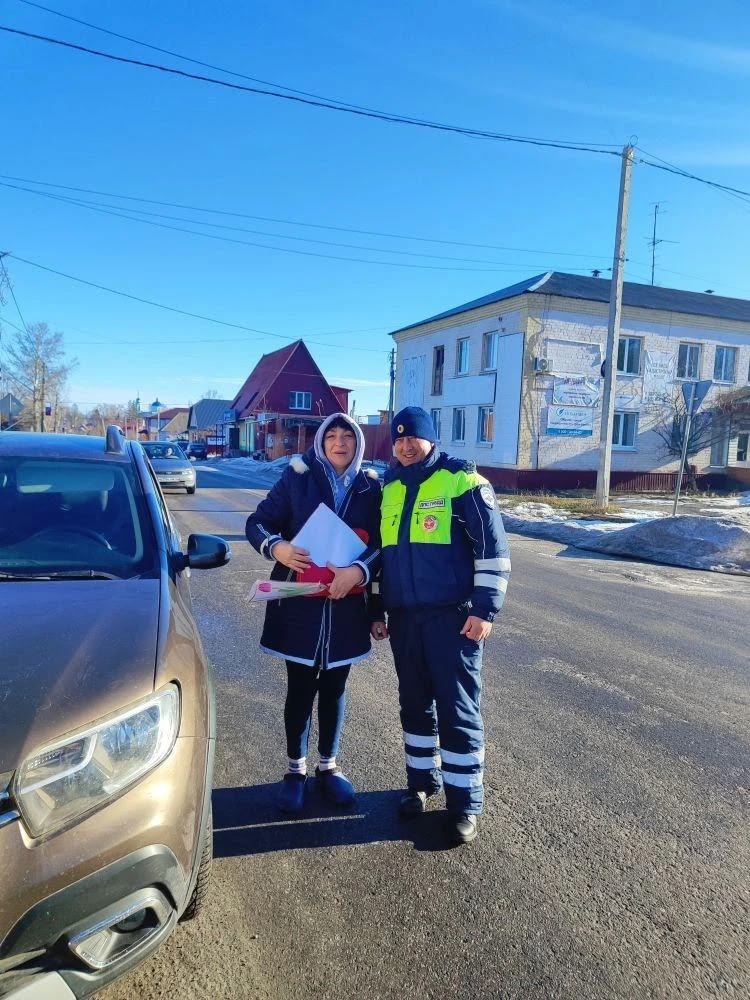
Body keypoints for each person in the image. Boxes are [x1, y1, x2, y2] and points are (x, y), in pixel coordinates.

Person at [370, 406, 511, 845]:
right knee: (413, 703)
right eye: (398, 440)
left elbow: (492, 550)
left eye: (413, 438)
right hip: (405, 619)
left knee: (457, 709)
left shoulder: (462, 480)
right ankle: (420, 782)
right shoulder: (389, 486)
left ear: (430, 439)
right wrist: (376, 609)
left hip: (454, 618)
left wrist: (484, 610)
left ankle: (464, 802)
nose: (406, 446)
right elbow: (380, 555)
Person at [246, 413, 382, 813]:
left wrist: (360, 571)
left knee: (336, 687)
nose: (340, 443)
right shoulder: (297, 477)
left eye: (348, 437)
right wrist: (277, 547)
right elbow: (258, 522)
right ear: (322, 442)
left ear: (358, 444)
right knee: (300, 687)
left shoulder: (372, 488)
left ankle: (329, 767)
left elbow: (385, 544)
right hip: (299, 605)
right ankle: (295, 770)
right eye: (332, 436)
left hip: (346, 609)